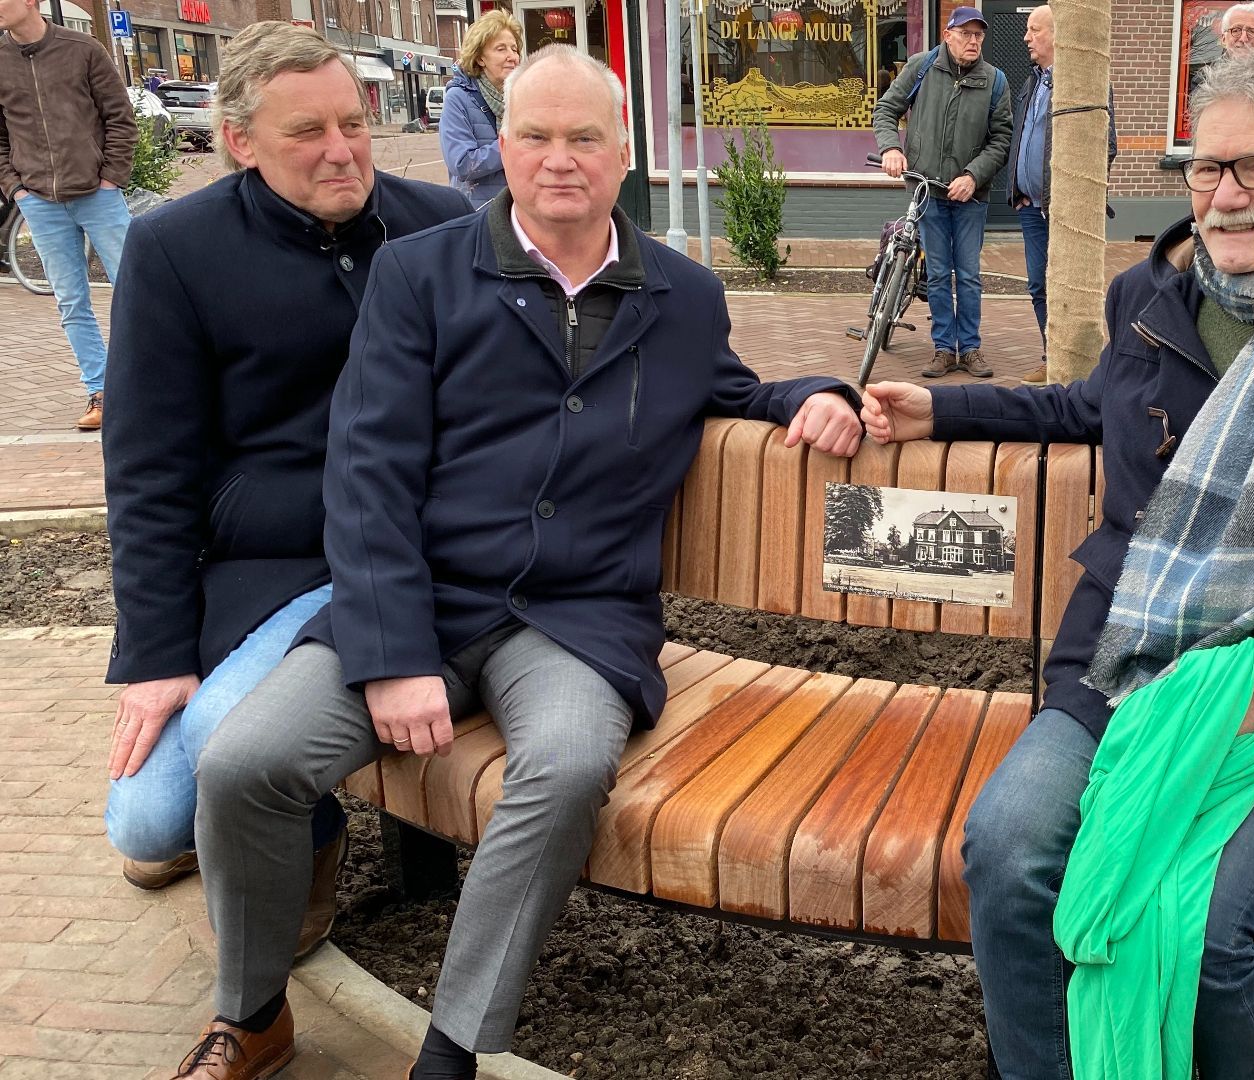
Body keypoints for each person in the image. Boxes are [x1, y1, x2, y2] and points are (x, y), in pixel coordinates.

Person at [176, 46, 864, 1080]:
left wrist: (819, 393)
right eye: (534, 136)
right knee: (242, 762)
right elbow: (366, 476)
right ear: (500, 149)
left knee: (569, 762)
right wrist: (395, 653)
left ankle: (451, 1049)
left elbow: (726, 386)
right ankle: (255, 1010)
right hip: (428, 604)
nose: (559, 160)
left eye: (584, 137)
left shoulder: (681, 293)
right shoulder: (420, 276)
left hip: (578, 619)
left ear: (622, 153)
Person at [863, 50, 1254, 1078]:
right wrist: (948, 404)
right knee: (1008, 854)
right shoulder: (1152, 293)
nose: (1226, 195)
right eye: (1206, 168)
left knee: (1188, 928)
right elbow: (1088, 406)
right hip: (1130, 659)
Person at [99, 21, 469, 950]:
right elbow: (147, 469)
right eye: (307, 131)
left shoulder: (444, 226)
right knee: (141, 824)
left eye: (354, 121)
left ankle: (295, 853)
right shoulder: (176, 250)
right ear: (240, 140)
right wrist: (154, 653)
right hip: (271, 562)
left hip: (404, 553)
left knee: (234, 737)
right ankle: (252, 825)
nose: (342, 150)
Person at [0, 0, 135, 431]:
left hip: (98, 194)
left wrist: (111, 177)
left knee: (137, 290)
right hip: (39, 200)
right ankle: (100, 391)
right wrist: (16, 189)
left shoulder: (83, 49)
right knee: (71, 302)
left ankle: (151, 385)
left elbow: (120, 118)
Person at [873, 5, 1012, 380]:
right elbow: (886, 109)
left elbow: (1001, 140)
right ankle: (942, 349)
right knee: (936, 273)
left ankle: (969, 348)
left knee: (967, 274)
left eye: (978, 35)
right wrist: (891, 148)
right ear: (947, 35)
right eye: (965, 34)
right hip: (927, 190)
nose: (973, 41)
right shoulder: (921, 67)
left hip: (970, 196)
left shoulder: (995, 81)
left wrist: (973, 175)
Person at [1006, 3, 1116, 384]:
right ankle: (1051, 354)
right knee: (1038, 284)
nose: (1026, 37)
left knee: (1068, 286)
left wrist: (1076, 196)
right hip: (1029, 207)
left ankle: (1076, 360)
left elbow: (1107, 144)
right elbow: (1021, 135)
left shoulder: (1085, 82)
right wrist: (1017, 189)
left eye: (1034, 29)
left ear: (1059, 33)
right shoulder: (1031, 81)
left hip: (1064, 209)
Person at [439, 8, 521, 208]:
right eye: (501, 49)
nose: (512, 56)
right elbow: (462, 163)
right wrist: (513, 144)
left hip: (520, 209)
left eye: (514, 48)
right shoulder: (458, 98)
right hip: (479, 213)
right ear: (480, 58)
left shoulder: (522, 96)